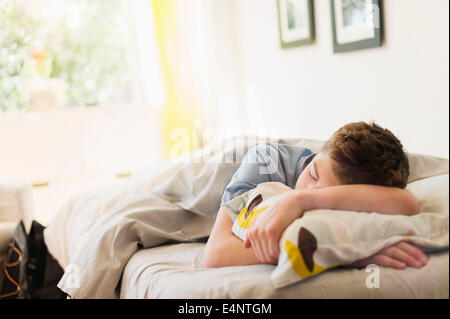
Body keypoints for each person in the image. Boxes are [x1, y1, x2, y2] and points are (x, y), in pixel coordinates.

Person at [203, 121, 428, 269]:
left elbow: (406, 203)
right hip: (209, 183)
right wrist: (340, 254)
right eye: (312, 175)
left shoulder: (353, 181)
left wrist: (299, 200)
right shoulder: (265, 165)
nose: (307, 190)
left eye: (326, 195)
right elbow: (216, 253)